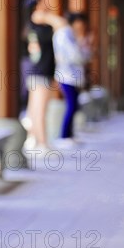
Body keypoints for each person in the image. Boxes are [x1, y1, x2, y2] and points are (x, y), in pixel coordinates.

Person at [32, 10, 91, 147]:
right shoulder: (65, 33)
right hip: (66, 75)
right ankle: (63, 136)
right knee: (71, 105)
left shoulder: (68, 34)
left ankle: (68, 135)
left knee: (73, 105)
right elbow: (75, 56)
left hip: (70, 75)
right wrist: (84, 49)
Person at [24, 0, 56, 151]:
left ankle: (35, 140)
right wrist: (47, 17)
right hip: (41, 74)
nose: (46, 10)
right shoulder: (43, 30)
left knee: (34, 110)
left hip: (36, 73)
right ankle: (42, 144)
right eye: (42, 7)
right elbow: (61, 25)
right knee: (40, 110)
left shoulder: (32, 29)